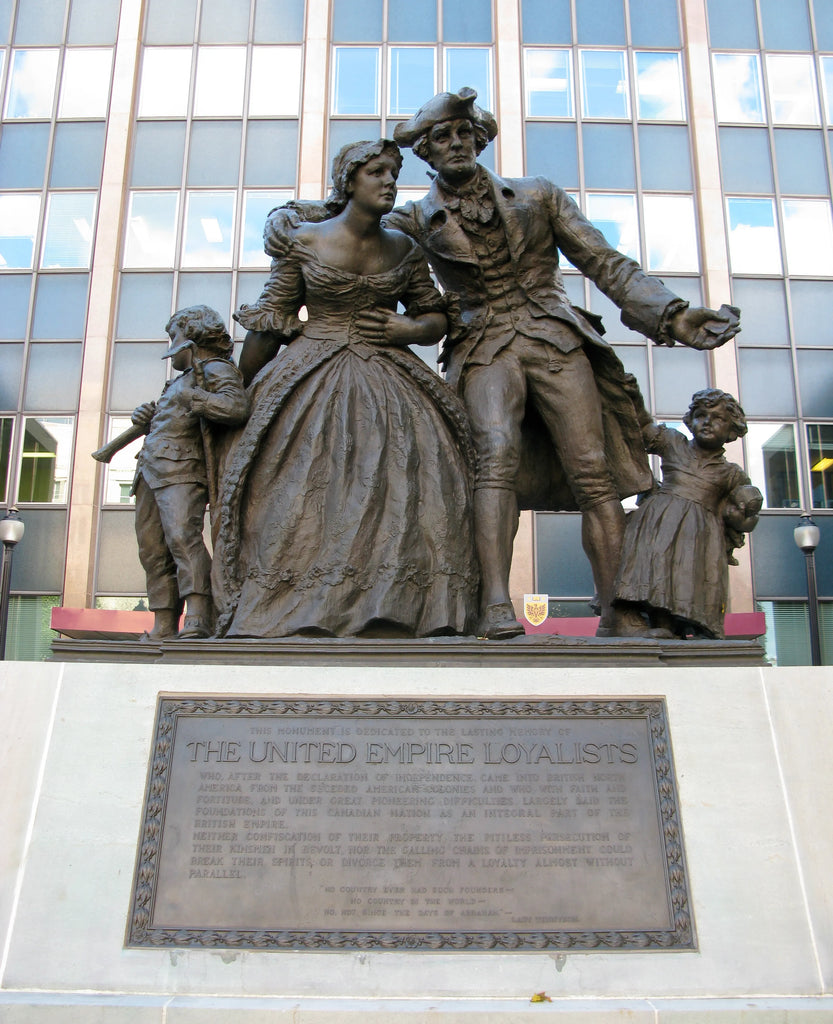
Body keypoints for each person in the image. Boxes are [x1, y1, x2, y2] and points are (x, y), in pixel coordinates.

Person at [386, 88, 741, 639]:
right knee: (494, 457)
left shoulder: (537, 194)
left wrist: (670, 315)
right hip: (483, 344)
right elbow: (350, 222)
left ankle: (618, 609)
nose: (455, 143)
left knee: (592, 473)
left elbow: (603, 260)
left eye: (462, 132)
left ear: (478, 139)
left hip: (555, 337)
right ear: (426, 154)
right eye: (440, 137)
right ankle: (495, 606)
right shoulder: (414, 219)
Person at [212, 139, 478, 638]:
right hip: (312, 371)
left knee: (410, 482)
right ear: (349, 180)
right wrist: (240, 387)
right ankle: (297, 608)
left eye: (394, 173)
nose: (389, 182)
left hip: (392, 380)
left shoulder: (404, 247)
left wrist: (410, 330)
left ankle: (398, 607)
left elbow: (434, 313)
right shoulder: (305, 241)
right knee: (298, 489)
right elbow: (272, 319)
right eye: (377, 172)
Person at [131, 305, 249, 639]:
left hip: (183, 469)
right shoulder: (179, 382)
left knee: (183, 538)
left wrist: (197, 397)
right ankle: (164, 621)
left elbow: (236, 406)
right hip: (150, 471)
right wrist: (145, 420)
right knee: (153, 549)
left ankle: (198, 615)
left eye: (174, 335)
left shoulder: (214, 369)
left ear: (191, 334)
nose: (170, 345)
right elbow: (169, 422)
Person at [613, 383, 762, 639]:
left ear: (731, 430)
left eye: (717, 419)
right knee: (657, 567)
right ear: (690, 420)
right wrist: (634, 398)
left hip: (700, 535)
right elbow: (645, 429)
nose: (707, 422)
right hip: (659, 521)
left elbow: (742, 521)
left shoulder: (732, 474)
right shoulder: (674, 443)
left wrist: (745, 514)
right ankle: (661, 624)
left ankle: (695, 627)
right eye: (701, 415)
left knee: (690, 576)